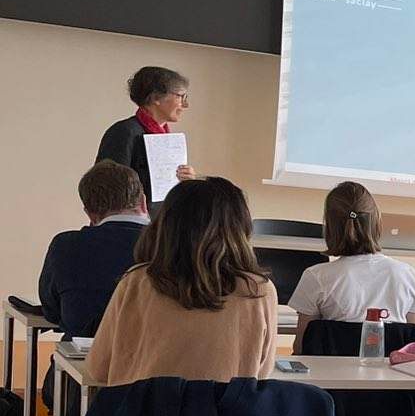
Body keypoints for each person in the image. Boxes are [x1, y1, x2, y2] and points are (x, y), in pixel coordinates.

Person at [86, 176, 277, 387]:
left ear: (165, 224)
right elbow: (262, 374)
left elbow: (98, 369)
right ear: (241, 227)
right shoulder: (259, 290)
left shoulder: (136, 282)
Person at [286, 182, 415, 352]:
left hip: (329, 376)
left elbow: (301, 347)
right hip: (392, 376)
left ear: (329, 226)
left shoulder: (316, 276)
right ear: (376, 222)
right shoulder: (408, 274)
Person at [37, 160, 151, 337]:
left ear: (89, 213)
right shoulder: (172, 246)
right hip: (158, 359)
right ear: (143, 202)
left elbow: (52, 312)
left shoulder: (65, 246)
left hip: (81, 361)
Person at [95, 65, 194, 192]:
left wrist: (186, 181)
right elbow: (106, 186)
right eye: (181, 96)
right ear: (156, 97)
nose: (185, 105)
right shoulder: (124, 132)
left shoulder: (168, 139)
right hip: (129, 212)